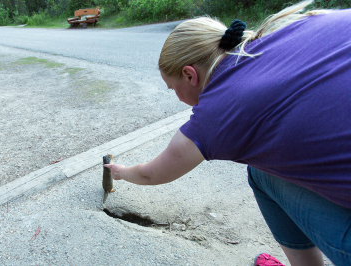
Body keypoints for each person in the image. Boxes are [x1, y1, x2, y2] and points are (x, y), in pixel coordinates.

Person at [105, 0, 351, 265]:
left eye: (172, 88)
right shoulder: (291, 28)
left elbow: (150, 174)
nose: (176, 97)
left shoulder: (218, 112)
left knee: (260, 175)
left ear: (190, 75)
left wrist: (119, 172)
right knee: (270, 169)